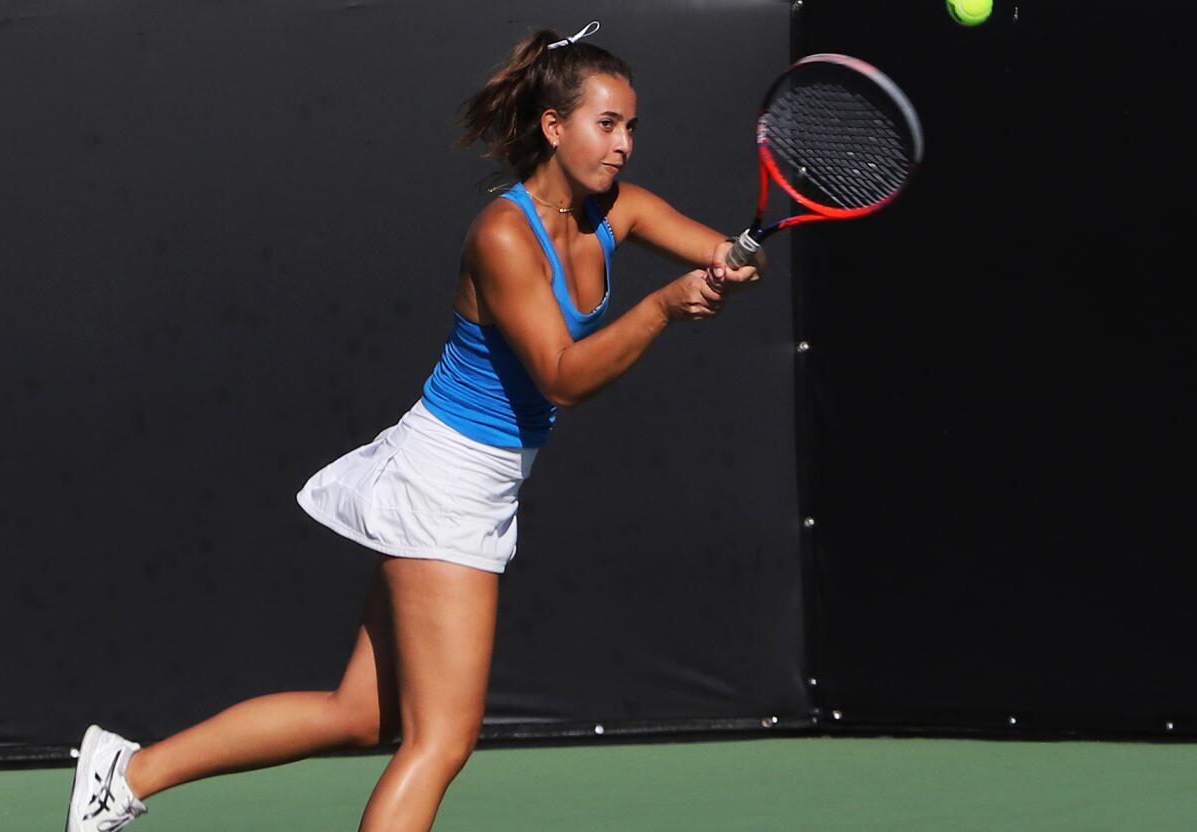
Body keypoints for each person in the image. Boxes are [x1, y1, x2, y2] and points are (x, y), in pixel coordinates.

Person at [65, 21, 762, 832]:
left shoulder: (623, 210)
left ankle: (127, 770)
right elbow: (563, 381)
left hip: (474, 478)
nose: (624, 145)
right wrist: (663, 307)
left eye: (632, 126)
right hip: (446, 480)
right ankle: (126, 773)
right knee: (442, 740)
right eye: (606, 124)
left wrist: (735, 260)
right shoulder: (503, 234)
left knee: (361, 715)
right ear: (553, 126)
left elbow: (722, 255)